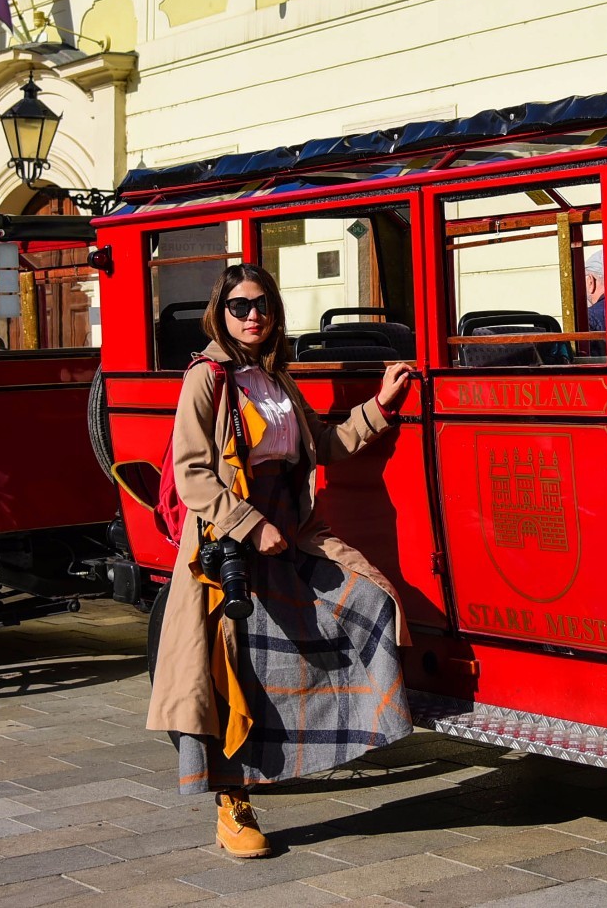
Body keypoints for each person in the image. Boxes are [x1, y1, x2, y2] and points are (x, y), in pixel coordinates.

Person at [145, 263, 416, 859]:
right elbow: (192, 474)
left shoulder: (278, 380)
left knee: (369, 601)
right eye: (240, 306)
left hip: (290, 534)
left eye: (262, 304)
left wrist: (381, 405)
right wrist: (249, 525)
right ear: (221, 312)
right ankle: (231, 806)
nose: (252, 316)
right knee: (233, 675)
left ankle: (331, 741)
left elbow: (323, 445)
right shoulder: (207, 378)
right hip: (228, 547)